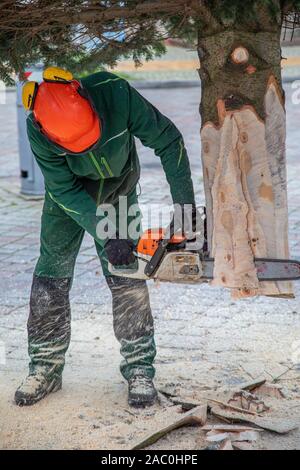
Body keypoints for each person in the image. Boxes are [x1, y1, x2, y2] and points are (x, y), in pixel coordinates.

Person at [15, 67, 196, 408]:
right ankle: (45, 367)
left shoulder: (115, 93)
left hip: (120, 190)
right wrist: (106, 232)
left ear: (82, 95)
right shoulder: (36, 127)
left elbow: (168, 140)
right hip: (68, 199)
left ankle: (140, 368)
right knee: (50, 277)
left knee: (127, 275)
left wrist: (185, 210)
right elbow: (63, 188)